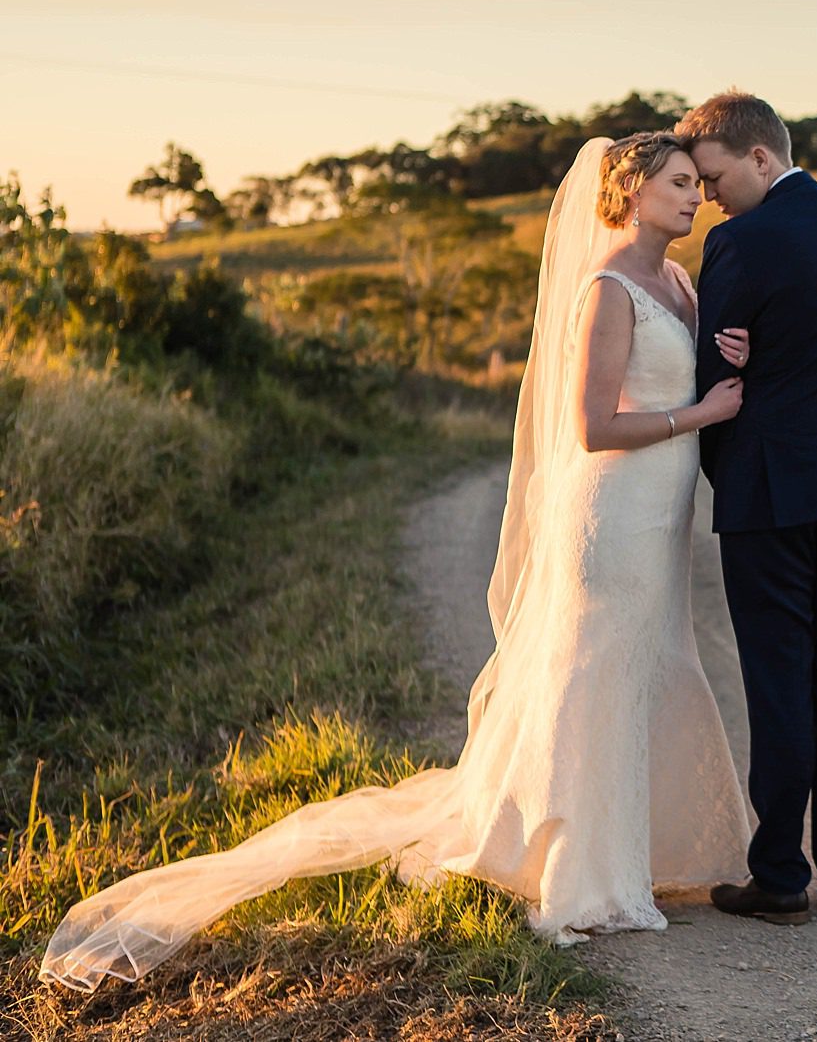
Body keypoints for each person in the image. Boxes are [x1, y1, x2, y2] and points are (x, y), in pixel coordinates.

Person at [42, 132, 751, 990]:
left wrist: (727, 364)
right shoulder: (606, 288)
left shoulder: (678, 281)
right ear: (632, 191)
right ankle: (579, 867)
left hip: (661, 519)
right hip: (611, 514)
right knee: (595, 677)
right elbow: (594, 426)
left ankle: (631, 846)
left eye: (697, 183)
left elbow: (684, 372)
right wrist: (701, 414)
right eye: (680, 182)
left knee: (642, 671)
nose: (696, 196)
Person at [678, 91, 817, 925]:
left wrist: (730, 463)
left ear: (761, 157)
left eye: (713, 178)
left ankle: (778, 875)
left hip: (771, 487)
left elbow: (716, 379)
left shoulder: (741, 242)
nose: (708, 197)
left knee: (779, 679)